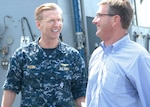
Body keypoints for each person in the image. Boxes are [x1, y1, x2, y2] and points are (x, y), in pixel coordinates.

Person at [1, 3, 87, 107]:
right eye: (51, 20)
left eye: (59, 20)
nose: (57, 24)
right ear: (38, 25)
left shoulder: (73, 56)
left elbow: (80, 92)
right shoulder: (22, 55)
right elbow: (11, 88)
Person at [85, 0, 150, 107]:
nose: (94, 21)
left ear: (115, 20)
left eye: (99, 15)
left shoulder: (138, 57)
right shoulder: (97, 54)